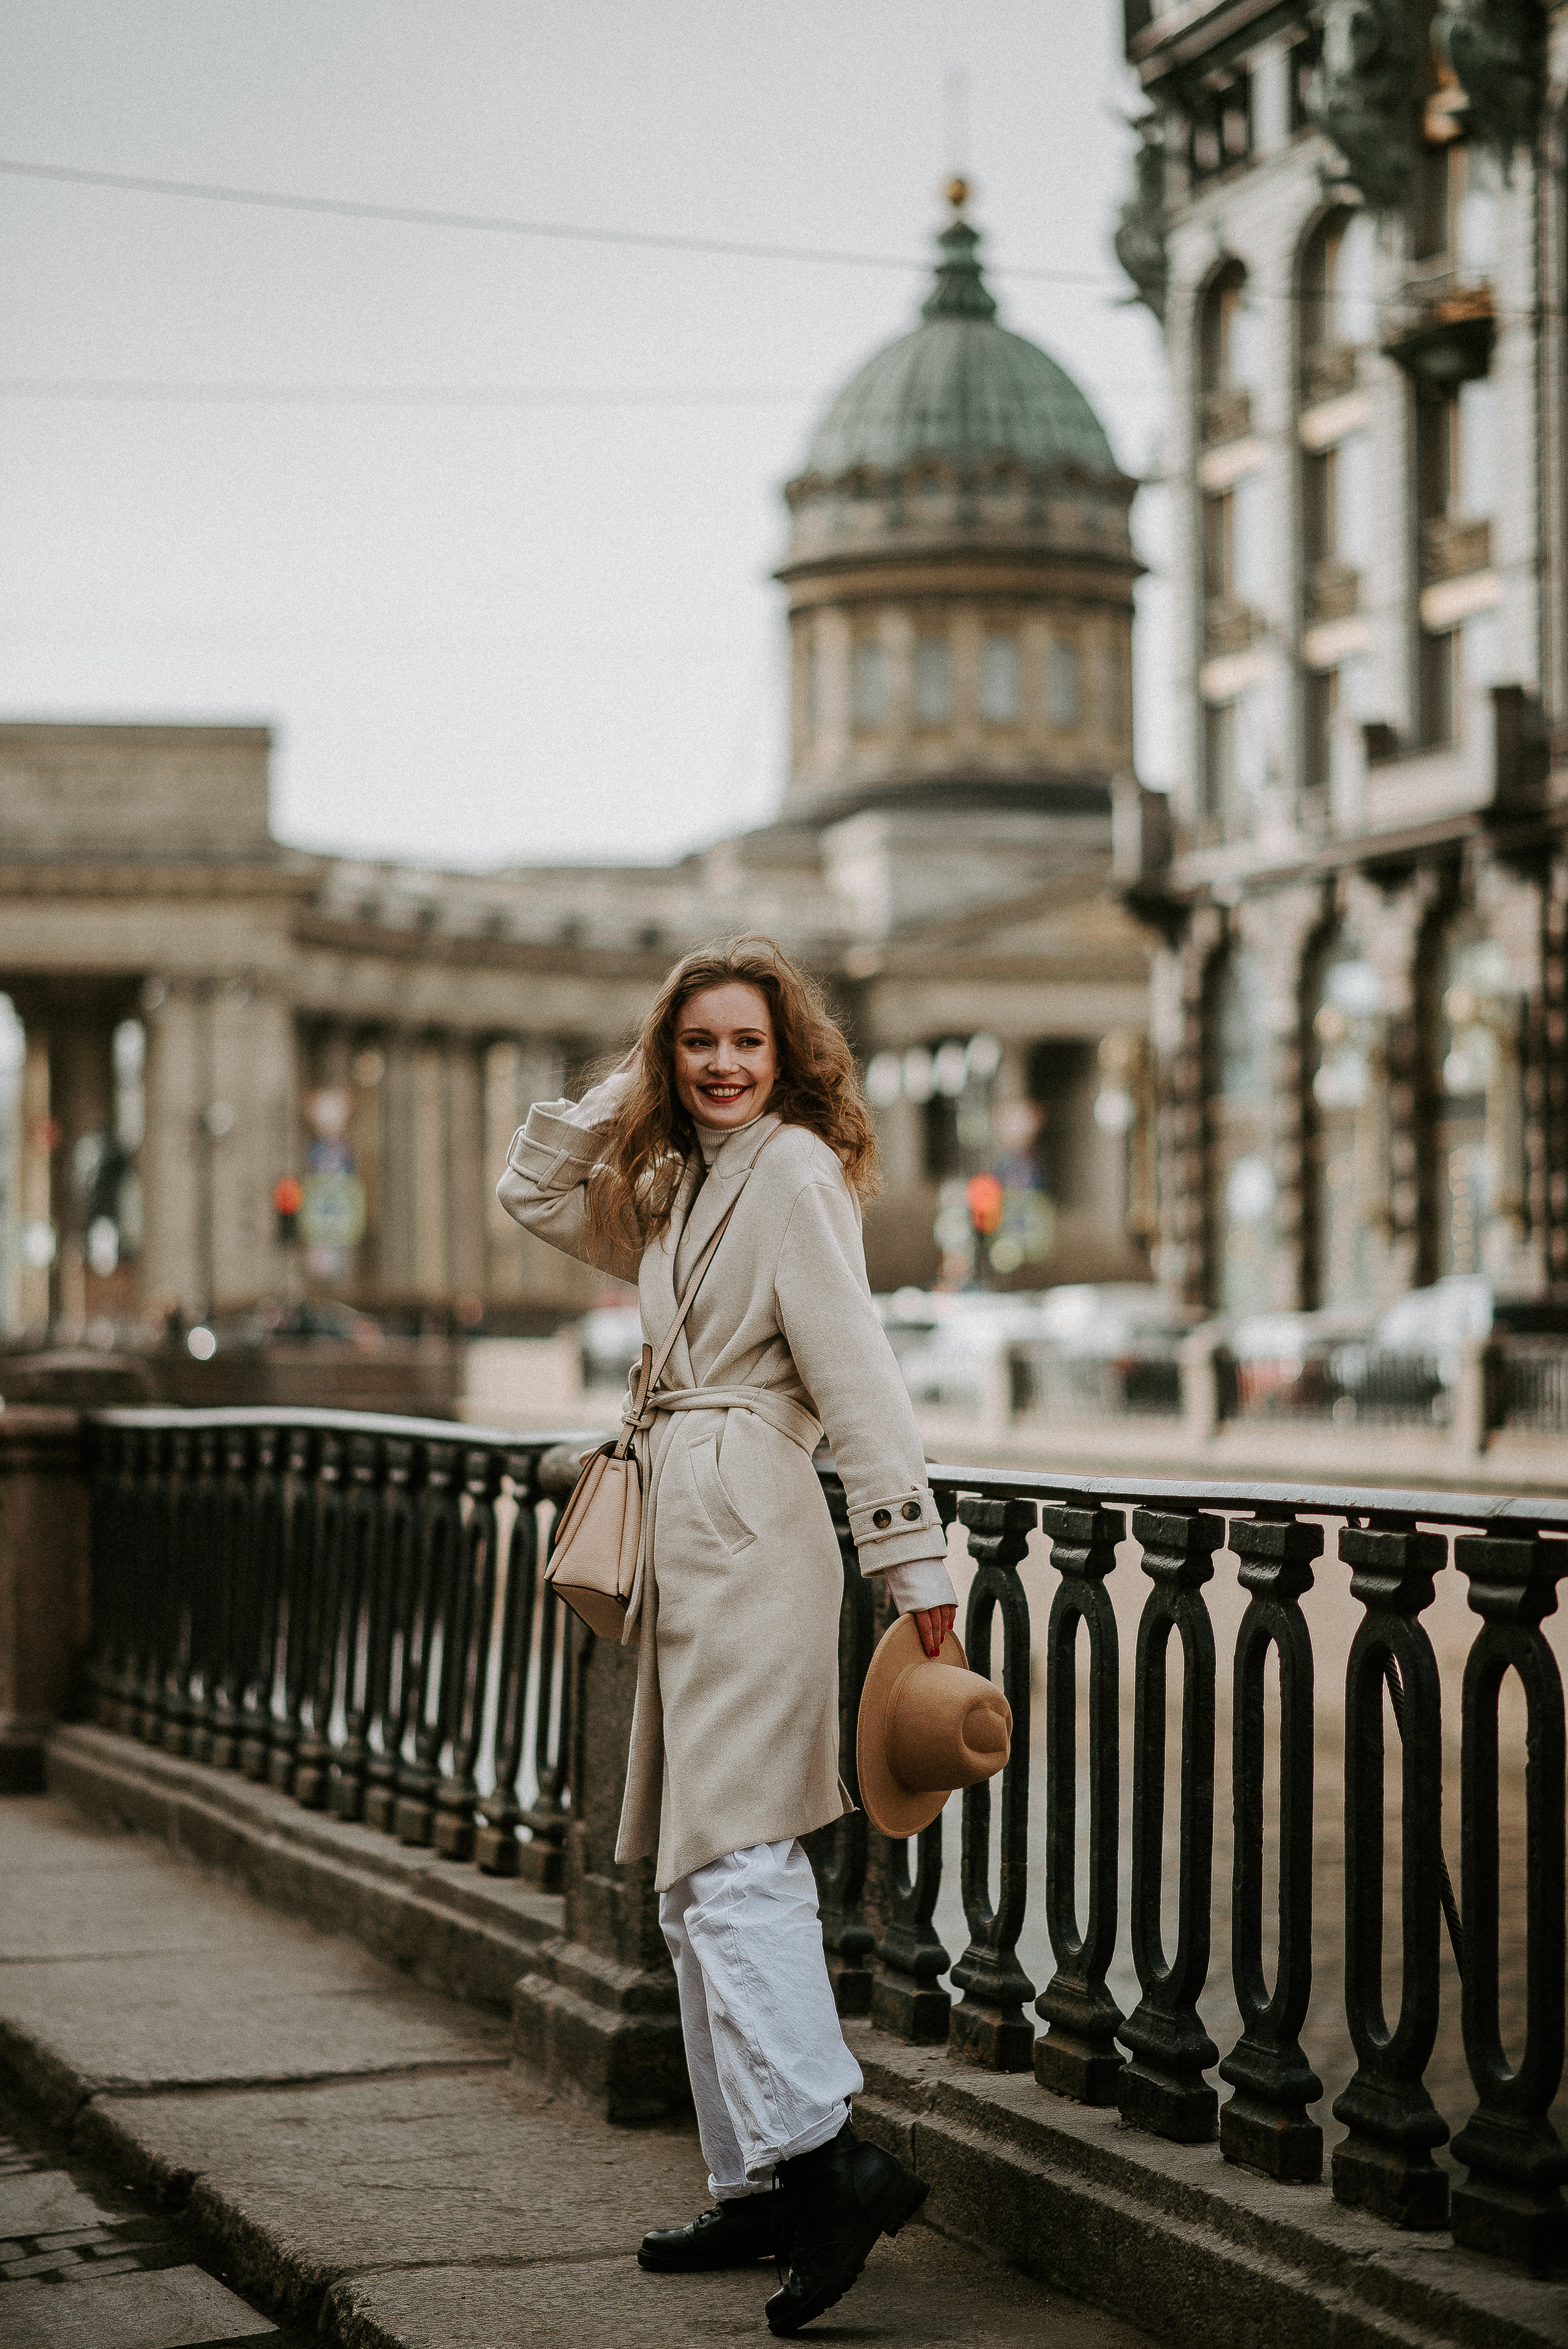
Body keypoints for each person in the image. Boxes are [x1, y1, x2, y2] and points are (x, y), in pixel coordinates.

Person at [496, 936, 959, 2334]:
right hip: (690, 1540)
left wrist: (910, 1555)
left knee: (739, 1859)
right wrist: (620, 1089)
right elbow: (528, 1189)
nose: (720, 1066)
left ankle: (828, 2162)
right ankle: (758, 2177)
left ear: (788, 1057)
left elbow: (857, 1372)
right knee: (693, 1883)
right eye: (695, 1043)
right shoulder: (679, 1183)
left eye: (745, 1044)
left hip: (751, 1528)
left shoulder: (796, 1177)